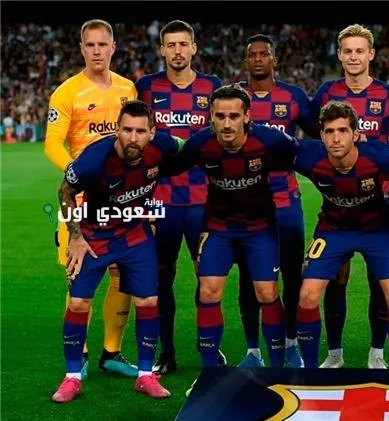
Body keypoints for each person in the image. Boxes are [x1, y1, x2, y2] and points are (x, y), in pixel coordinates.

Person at [170, 85, 296, 396]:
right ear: (211, 117)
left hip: (259, 228)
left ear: (247, 116)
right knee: (208, 291)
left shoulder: (270, 141)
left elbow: (305, 154)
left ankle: (276, 372)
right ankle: (209, 373)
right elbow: (167, 166)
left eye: (234, 116)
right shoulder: (200, 144)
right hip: (219, 228)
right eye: (220, 116)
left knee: (267, 292)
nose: (227, 124)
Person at [51, 100, 177, 402]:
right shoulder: (94, 159)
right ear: (117, 130)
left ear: (152, 133)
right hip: (95, 236)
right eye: (126, 130)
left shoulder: (165, 146)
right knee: (78, 303)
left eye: (140, 131)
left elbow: (190, 148)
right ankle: (72, 377)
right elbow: (65, 191)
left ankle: (146, 376)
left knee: (148, 299)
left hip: (135, 234)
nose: (133, 138)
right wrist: (76, 237)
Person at [310, 24, 389, 369]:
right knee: (336, 277)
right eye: (348, 51)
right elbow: (316, 130)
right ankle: (334, 354)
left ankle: (376, 352)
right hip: (336, 202)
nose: (354, 57)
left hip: (378, 201)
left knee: (379, 279)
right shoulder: (326, 93)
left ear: (371, 55)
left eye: (360, 51)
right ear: (340, 55)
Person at [44, 18, 138, 379]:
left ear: (113, 48)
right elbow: (52, 142)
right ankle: (79, 355)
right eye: (90, 45)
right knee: (78, 276)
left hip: (124, 199)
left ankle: (111, 352)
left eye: (102, 44)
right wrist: (78, 172)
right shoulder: (67, 92)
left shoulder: (128, 88)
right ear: (81, 49)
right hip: (81, 199)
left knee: (122, 274)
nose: (97, 51)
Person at [293, 101, 389, 372]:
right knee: (308, 295)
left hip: (376, 230)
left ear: (356, 134)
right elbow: (271, 148)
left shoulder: (381, 157)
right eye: (330, 131)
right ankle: (316, 369)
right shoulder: (308, 157)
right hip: (333, 228)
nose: (336, 138)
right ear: (321, 135)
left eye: (343, 131)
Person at [135, 19, 224, 375]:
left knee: (208, 277)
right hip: (161, 200)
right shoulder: (146, 87)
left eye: (183, 44)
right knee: (162, 277)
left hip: (203, 199)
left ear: (194, 48)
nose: (177, 51)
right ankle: (166, 351)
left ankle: (209, 348)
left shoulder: (212, 86)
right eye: (170, 45)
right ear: (162, 50)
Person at [237, 33, 316, 368]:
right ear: (246, 62)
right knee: (248, 277)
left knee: (293, 276)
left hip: (285, 200)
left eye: (263, 54)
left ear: (274, 60)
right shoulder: (235, 98)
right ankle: (253, 351)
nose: (258, 59)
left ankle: (291, 343)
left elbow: (317, 135)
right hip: (245, 202)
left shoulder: (293, 97)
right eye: (252, 54)